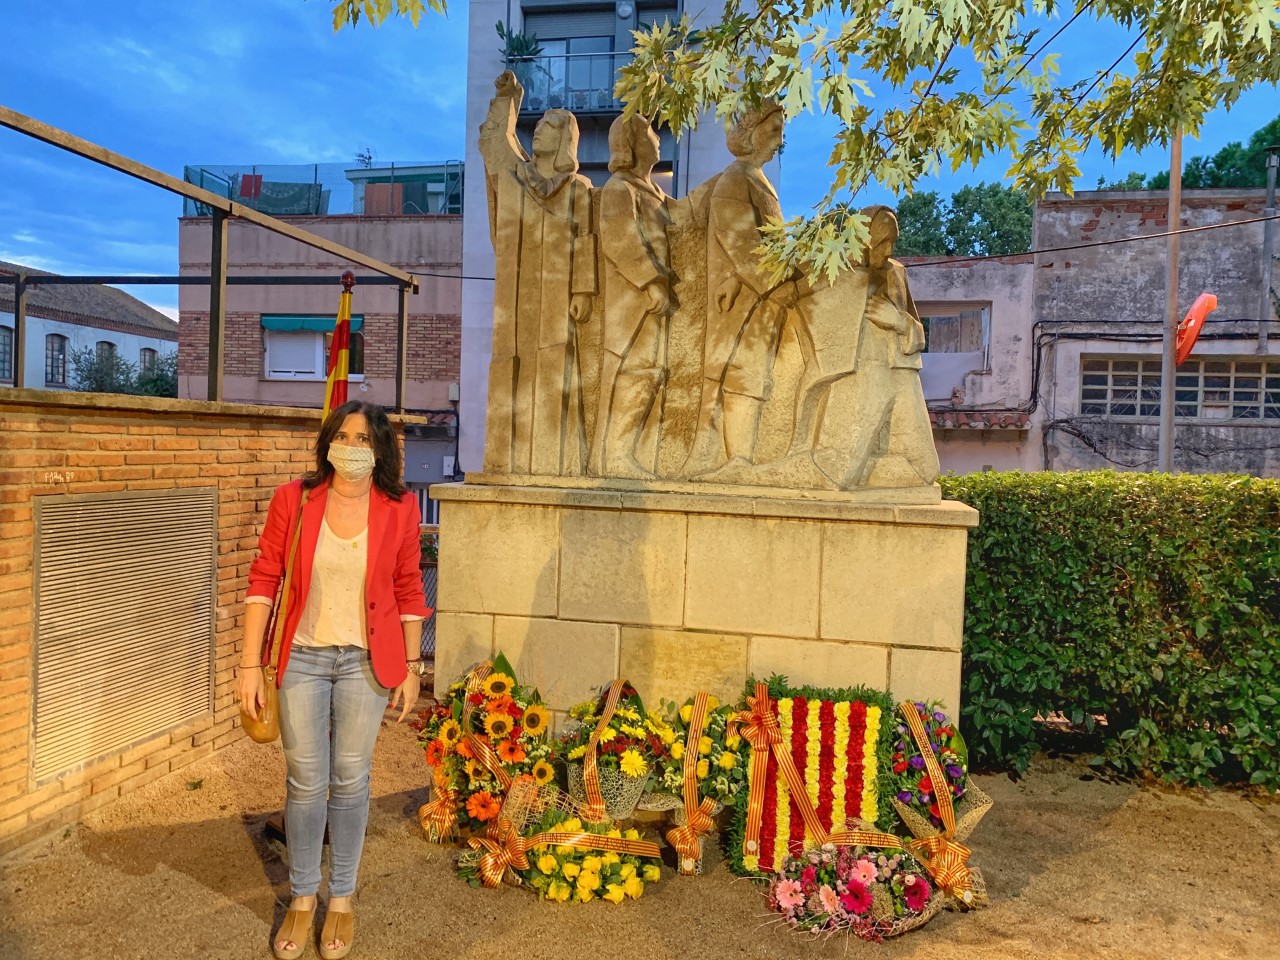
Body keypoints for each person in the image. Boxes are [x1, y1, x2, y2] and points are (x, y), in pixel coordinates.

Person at [236, 400, 431, 960]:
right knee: (304, 779)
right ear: (327, 442)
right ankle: (302, 896)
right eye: (342, 435)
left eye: (364, 439)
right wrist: (250, 664)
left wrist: (413, 667)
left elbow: (409, 588)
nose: (351, 446)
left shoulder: (399, 507)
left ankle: (340, 898)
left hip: (368, 662)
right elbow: (264, 578)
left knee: (350, 779)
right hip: (301, 656)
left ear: (380, 451)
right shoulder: (293, 500)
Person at [479, 70, 597, 477]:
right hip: (518, 296)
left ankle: (554, 462)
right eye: (539, 125)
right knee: (513, 366)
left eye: (549, 127)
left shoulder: (577, 188)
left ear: (564, 138)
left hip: (559, 296)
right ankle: (508, 459)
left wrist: (583, 289)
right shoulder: (517, 179)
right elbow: (495, 146)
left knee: (556, 371)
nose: (539, 132)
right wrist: (507, 99)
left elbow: (587, 240)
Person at [687, 100, 807, 474]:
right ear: (750, 133)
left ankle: (739, 458)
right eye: (773, 131)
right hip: (744, 305)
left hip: (757, 299)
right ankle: (735, 459)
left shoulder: (755, 178)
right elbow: (740, 244)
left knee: (753, 380)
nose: (779, 141)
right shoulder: (736, 178)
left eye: (782, 133)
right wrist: (780, 286)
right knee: (740, 378)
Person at [591, 113, 674, 478]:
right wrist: (652, 282)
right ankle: (615, 455)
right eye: (650, 132)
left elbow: (682, 213)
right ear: (632, 143)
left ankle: (629, 452)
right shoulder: (618, 190)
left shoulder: (653, 192)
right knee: (630, 373)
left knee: (649, 374)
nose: (658, 138)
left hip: (654, 306)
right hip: (631, 305)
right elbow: (621, 242)